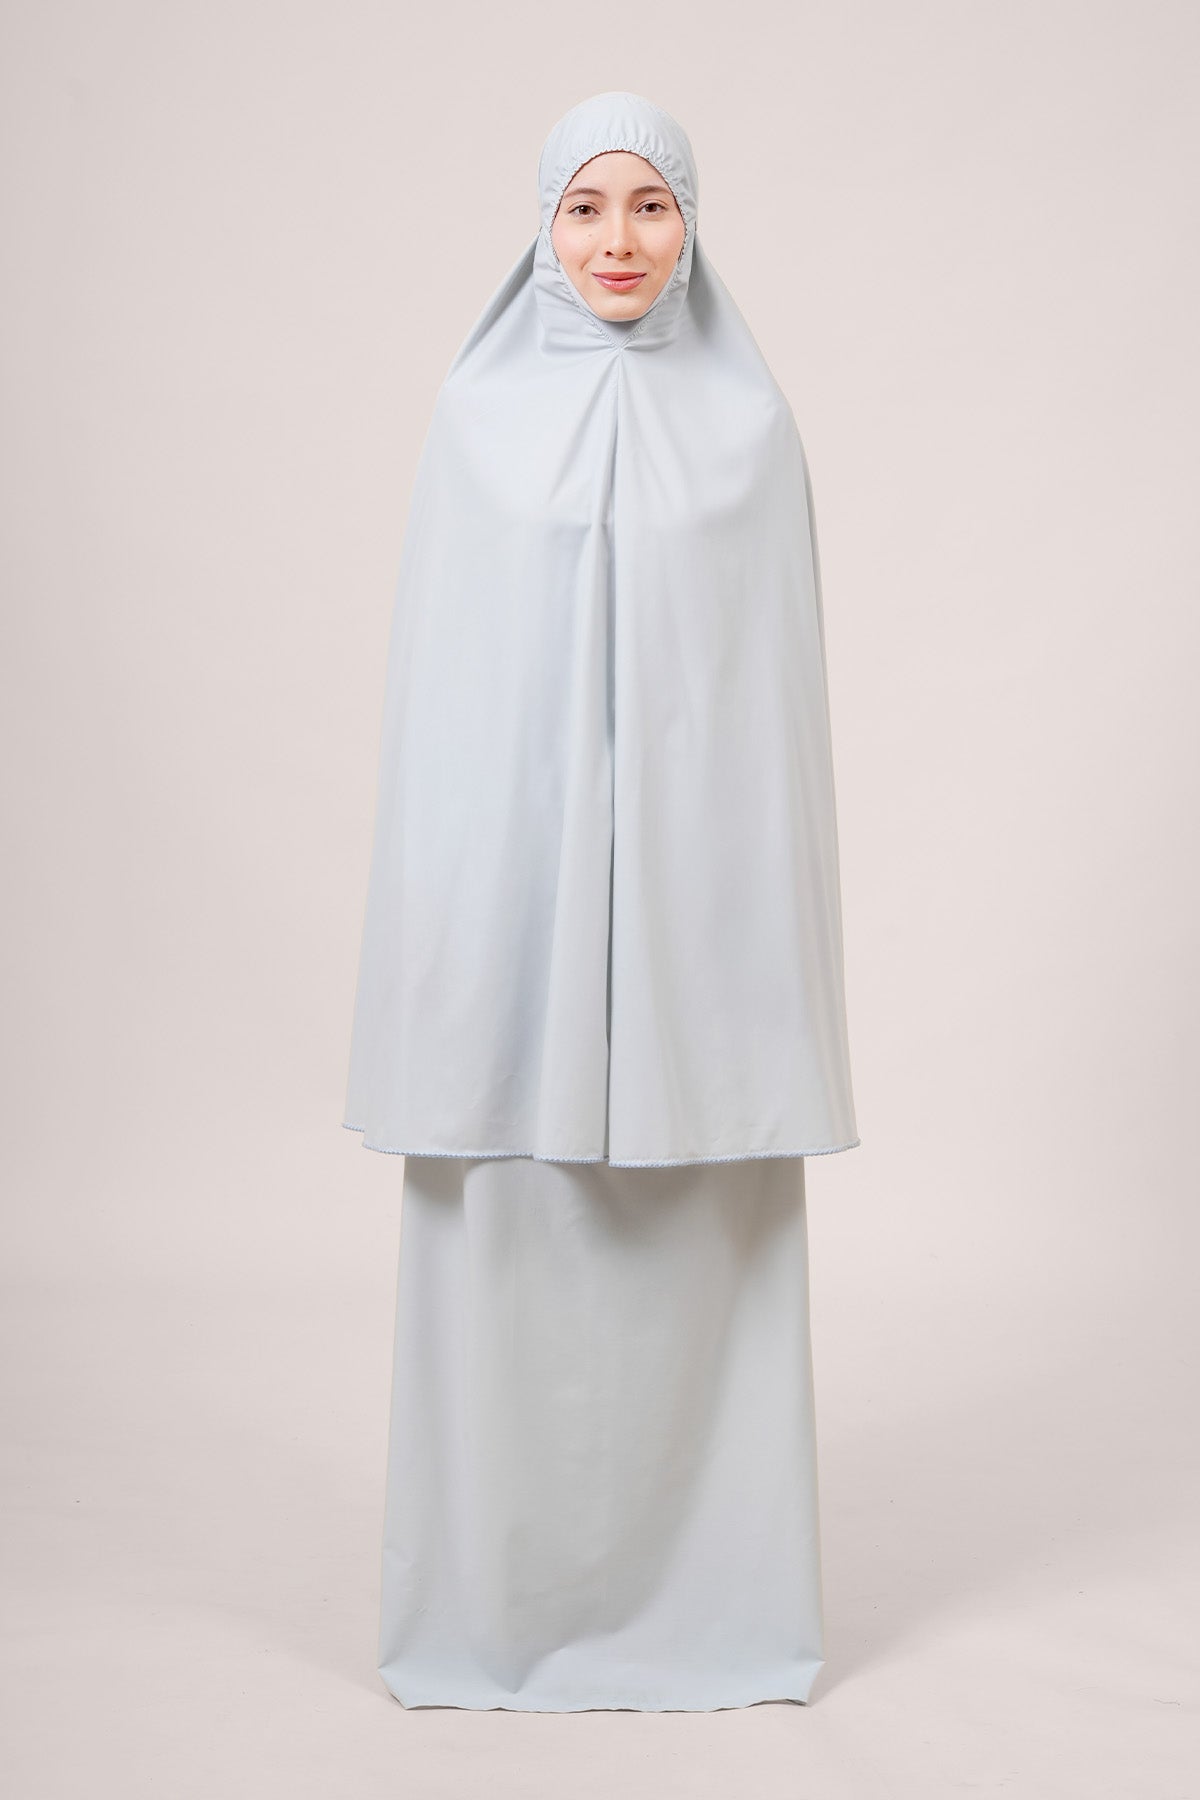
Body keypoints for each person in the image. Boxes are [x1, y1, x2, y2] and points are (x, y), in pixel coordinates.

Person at [342, 90, 860, 1712]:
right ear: (542, 227)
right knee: (509, 1248)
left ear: (692, 225)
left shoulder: (751, 430)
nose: (618, 241)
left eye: (650, 205)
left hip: (704, 943)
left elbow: (766, 719)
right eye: (585, 207)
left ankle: (718, 1616)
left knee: (703, 1259)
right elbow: (449, 711)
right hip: (513, 929)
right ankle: (492, 1619)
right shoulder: (473, 422)